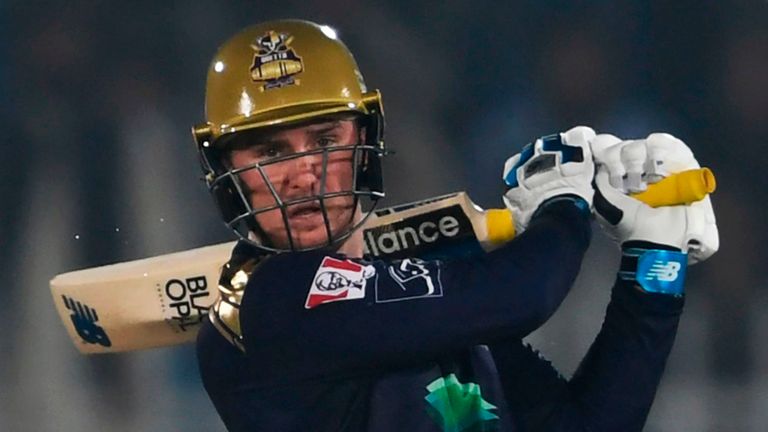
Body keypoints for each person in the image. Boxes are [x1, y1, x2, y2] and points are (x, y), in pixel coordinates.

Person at [193, 20, 719, 431]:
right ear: (225, 170)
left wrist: (654, 261)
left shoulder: (431, 298)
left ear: (364, 144)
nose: (305, 173)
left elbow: (591, 425)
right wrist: (564, 202)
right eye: (269, 151)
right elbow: (523, 296)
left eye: (327, 140)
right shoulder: (270, 304)